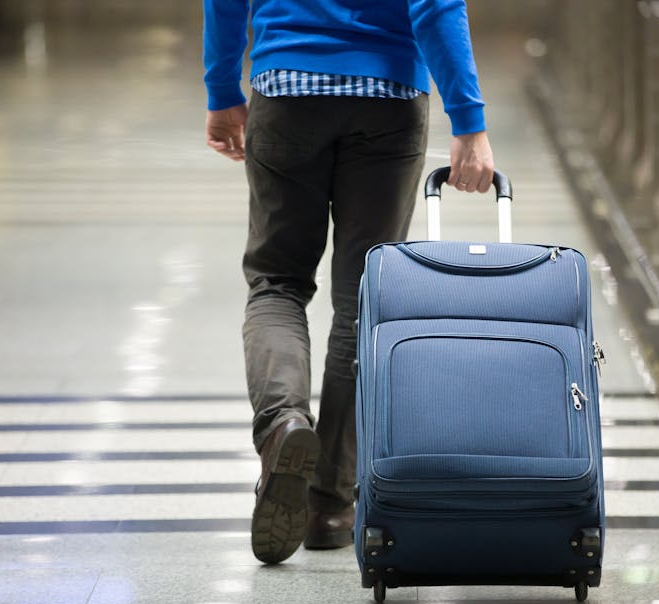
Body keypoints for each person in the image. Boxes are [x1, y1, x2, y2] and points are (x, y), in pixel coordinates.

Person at [202, 0, 495, 564]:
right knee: (363, 300)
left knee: (277, 282)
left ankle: (283, 422)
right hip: (387, 94)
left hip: (286, 86)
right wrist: (469, 120)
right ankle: (330, 504)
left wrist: (221, 90)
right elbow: (436, 6)